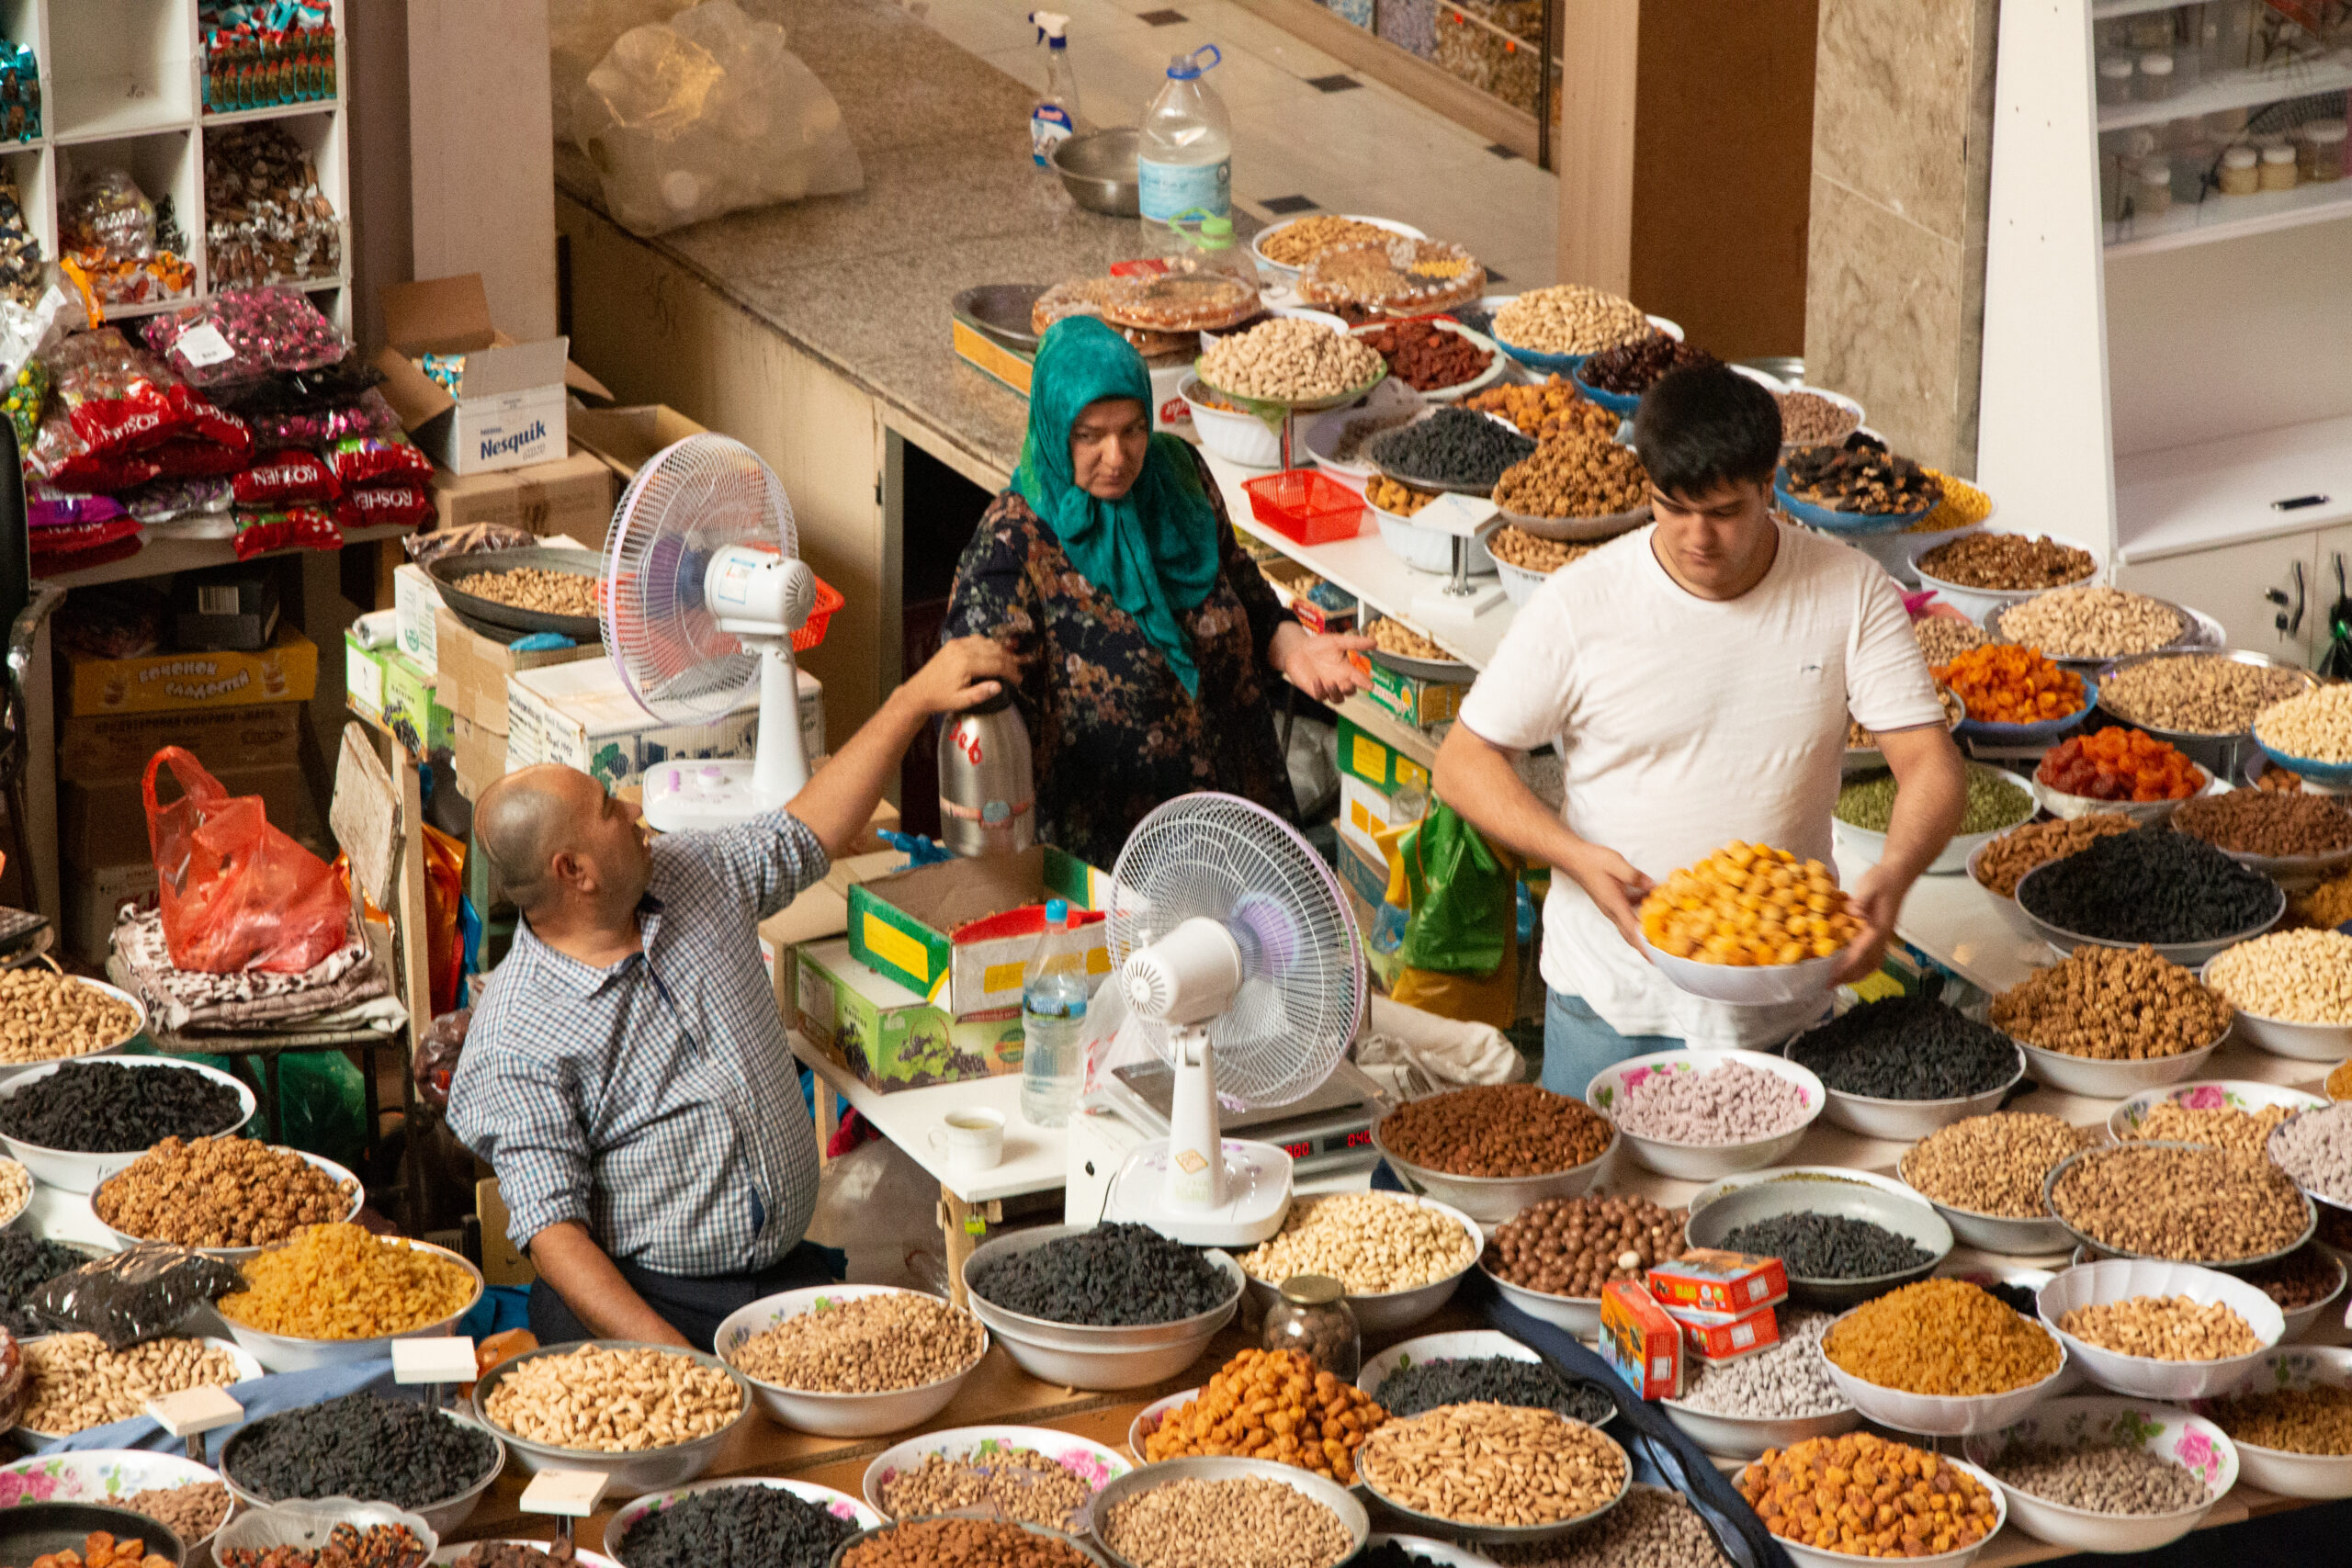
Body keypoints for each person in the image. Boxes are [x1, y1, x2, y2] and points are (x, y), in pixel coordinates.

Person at [447, 637, 1019, 1350]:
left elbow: (806, 832)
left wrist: (914, 699)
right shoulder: (518, 1035)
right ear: (575, 871)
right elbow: (554, 1235)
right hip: (649, 1306)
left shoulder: (689, 872)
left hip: (781, 1282)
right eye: (606, 807)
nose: (631, 806)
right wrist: (676, 1364)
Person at [1431, 364, 1967, 1095]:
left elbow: (1932, 768)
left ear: (1769, 483)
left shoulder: (1851, 591)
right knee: (1600, 1209)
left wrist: (1894, 874)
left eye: (1723, 511)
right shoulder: (1581, 602)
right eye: (1671, 507)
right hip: (1612, 1007)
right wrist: (1578, 858)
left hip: (1784, 1009)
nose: (1696, 537)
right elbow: (1462, 763)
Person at [944, 315, 1371, 870]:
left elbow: (1244, 590)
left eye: (1133, 429)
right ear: (1054, 430)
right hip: (1119, 874)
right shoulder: (1013, 548)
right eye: (1089, 435)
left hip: (1245, 840)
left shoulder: (1179, 478)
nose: (1117, 457)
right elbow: (976, 715)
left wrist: (1294, 648)